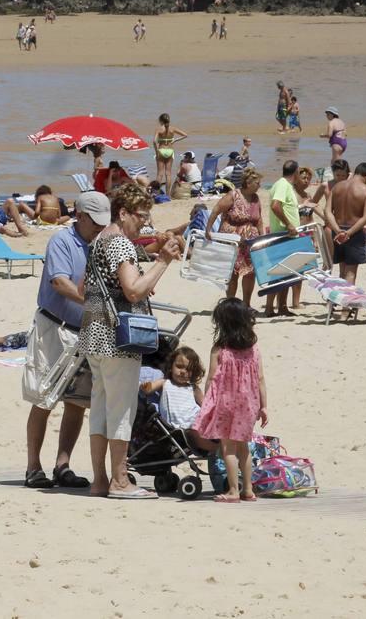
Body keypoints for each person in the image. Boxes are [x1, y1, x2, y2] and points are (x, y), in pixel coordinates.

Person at [80, 183, 180, 499]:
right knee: (121, 410)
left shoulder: (99, 240)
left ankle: (99, 480)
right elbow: (133, 290)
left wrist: (146, 264)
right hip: (118, 338)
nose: (144, 223)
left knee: (99, 409)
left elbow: (89, 287)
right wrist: (162, 261)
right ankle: (120, 480)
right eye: (141, 216)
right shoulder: (121, 244)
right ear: (123, 212)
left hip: (94, 335)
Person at [19, 191, 111, 489]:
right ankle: (33, 466)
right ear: (80, 216)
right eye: (94, 221)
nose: (99, 227)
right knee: (44, 398)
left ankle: (63, 464)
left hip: (83, 330)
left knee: (77, 403)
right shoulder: (62, 240)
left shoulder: (101, 241)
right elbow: (59, 282)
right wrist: (91, 300)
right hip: (53, 326)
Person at [193, 298, 268, 502]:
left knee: (228, 447)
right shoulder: (253, 349)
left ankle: (233, 490)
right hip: (249, 404)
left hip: (226, 403)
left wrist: (207, 403)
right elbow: (260, 379)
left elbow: (211, 378)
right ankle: (248, 490)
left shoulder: (220, 349)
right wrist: (264, 406)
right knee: (244, 446)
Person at [139, 345, 216, 453]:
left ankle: (230, 448)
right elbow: (149, 389)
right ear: (171, 367)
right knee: (195, 434)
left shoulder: (193, 388)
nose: (183, 371)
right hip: (178, 430)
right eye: (179, 366)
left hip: (196, 421)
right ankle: (220, 450)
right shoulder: (165, 382)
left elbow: (205, 406)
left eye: (188, 369)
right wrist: (145, 386)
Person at [206, 169, 265, 307]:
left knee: (251, 272)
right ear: (248, 183)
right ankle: (230, 304)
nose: (259, 185)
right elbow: (216, 210)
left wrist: (262, 238)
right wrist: (208, 229)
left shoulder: (256, 198)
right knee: (233, 273)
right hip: (232, 241)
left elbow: (259, 220)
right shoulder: (233, 195)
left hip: (250, 241)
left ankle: (246, 304)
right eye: (257, 183)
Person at [325, 162, 366, 285]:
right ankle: (346, 304)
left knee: (342, 269)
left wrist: (337, 230)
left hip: (337, 232)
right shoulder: (365, 190)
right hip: (354, 233)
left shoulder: (337, 186)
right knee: (351, 272)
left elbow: (327, 211)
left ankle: (337, 299)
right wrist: (348, 233)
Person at [266, 161, 303, 317]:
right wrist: (288, 224)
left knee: (288, 272)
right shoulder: (282, 185)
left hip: (288, 235)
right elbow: (275, 206)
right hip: (283, 235)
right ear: (296, 172)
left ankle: (282, 306)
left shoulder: (285, 185)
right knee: (279, 272)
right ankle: (269, 307)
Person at [152, 113, 188, 195]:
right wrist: (175, 140)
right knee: (168, 174)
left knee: (160, 174)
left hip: (161, 150)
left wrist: (156, 151)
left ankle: (156, 193)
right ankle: (168, 194)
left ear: (161, 121)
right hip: (170, 151)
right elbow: (185, 135)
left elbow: (154, 141)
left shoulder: (159, 129)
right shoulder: (173, 129)